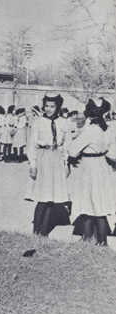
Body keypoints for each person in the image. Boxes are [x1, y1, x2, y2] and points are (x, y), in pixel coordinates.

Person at [67, 98, 116, 245]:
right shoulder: (109, 129)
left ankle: (95, 239)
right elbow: (112, 153)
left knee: (88, 202)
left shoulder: (90, 130)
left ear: (89, 113)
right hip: (102, 166)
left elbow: (72, 150)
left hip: (89, 166)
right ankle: (93, 238)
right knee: (98, 202)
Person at [26, 93, 72, 236]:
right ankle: (36, 230)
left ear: (58, 107)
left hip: (57, 158)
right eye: (46, 106)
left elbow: (67, 145)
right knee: (42, 197)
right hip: (43, 157)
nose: (49, 109)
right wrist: (33, 164)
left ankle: (44, 232)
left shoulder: (65, 123)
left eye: (52, 106)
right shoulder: (37, 122)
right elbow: (31, 145)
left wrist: (66, 164)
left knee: (53, 197)